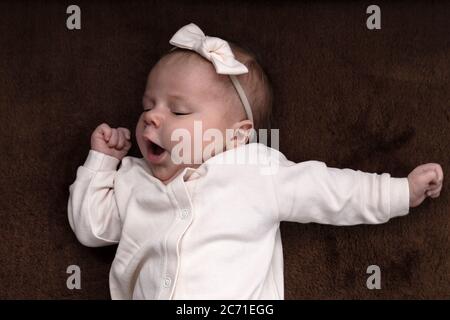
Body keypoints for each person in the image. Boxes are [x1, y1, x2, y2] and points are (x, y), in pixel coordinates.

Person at [68, 23, 444, 299]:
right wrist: (102, 162)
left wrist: (399, 192)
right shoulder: (133, 179)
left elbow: (330, 190)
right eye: (148, 105)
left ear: (235, 134)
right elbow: (91, 227)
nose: (152, 117)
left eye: (178, 111)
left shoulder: (255, 170)